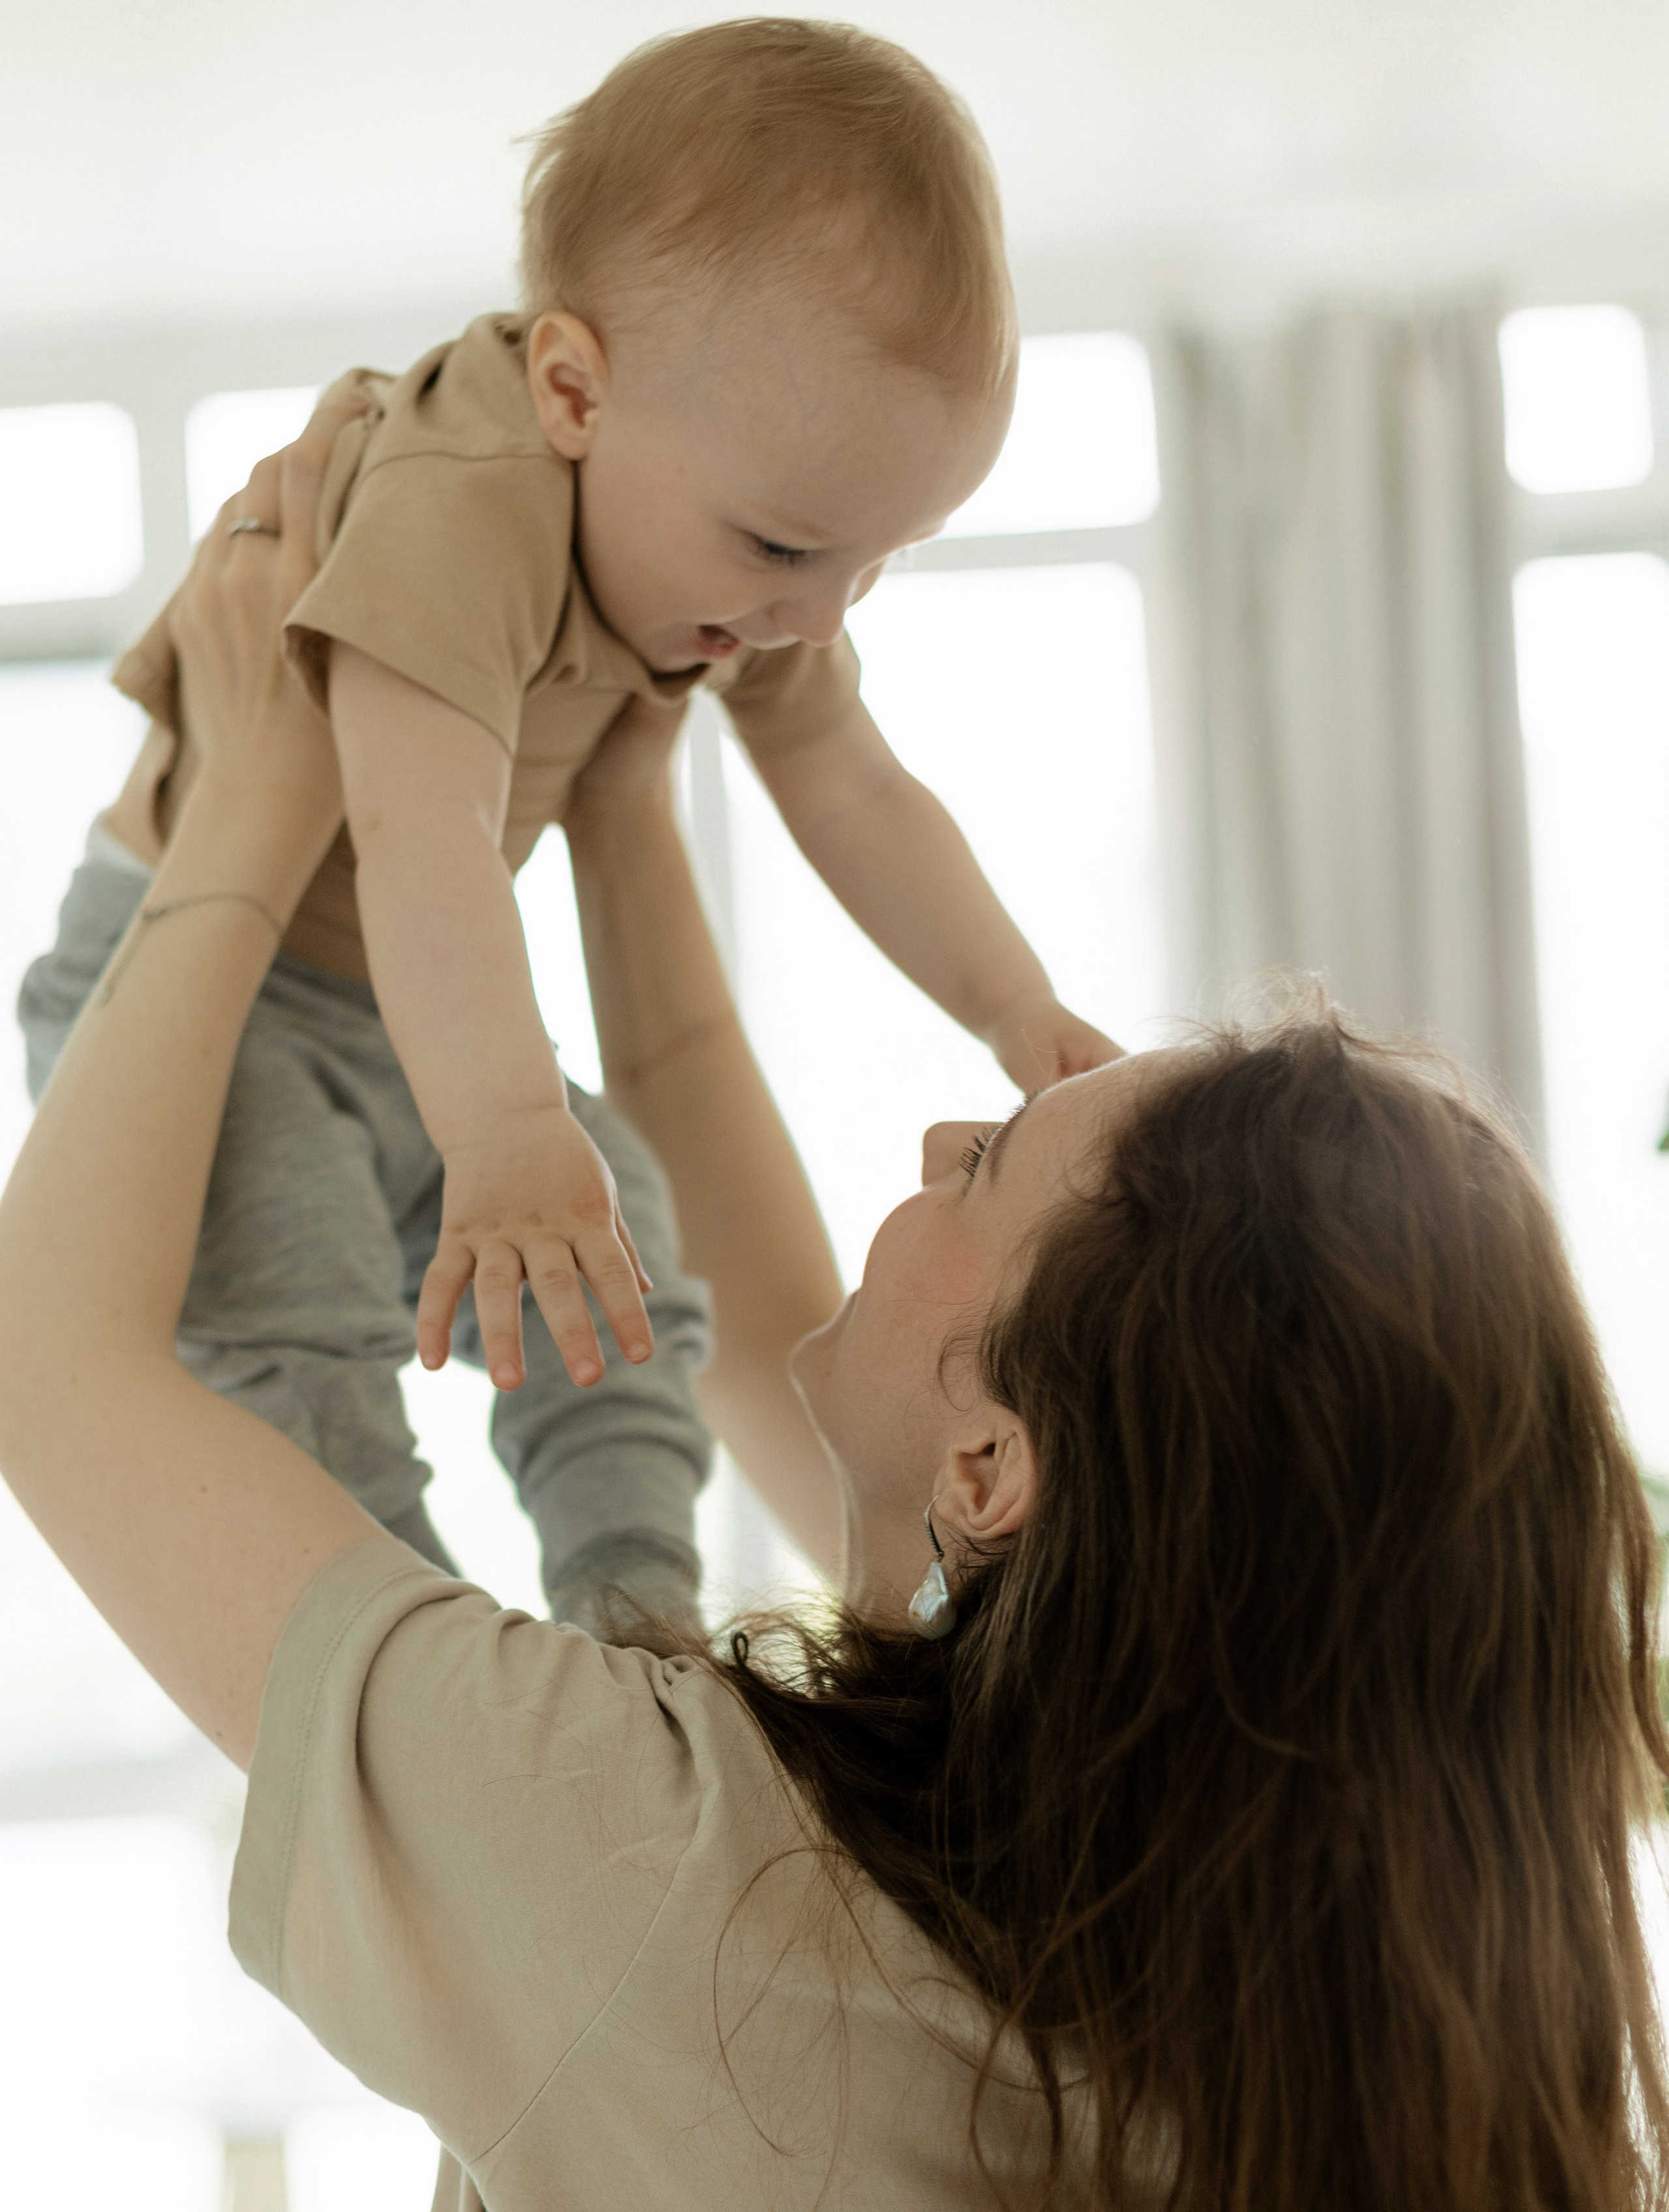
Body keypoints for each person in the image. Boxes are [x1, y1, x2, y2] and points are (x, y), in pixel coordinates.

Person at [3, 423, 1667, 2212]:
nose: (919, 1153)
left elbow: (61, 1370)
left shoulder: (665, 1877)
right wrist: (623, 796)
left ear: (989, 1464)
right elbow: (709, 1140)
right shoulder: (1246, 2046)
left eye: (978, 1166)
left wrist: (239, 817)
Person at [25, 18, 1115, 1636]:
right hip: (206, 996)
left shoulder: (749, 566)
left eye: (873, 563)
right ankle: (404, 1644)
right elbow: (422, 833)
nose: (812, 617)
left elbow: (859, 790)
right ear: (570, 389)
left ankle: (631, 1613)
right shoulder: (457, 499)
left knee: (627, 1258)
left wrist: (1009, 1004)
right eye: (781, 548)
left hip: (416, 1009)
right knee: (297, 1308)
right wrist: (507, 1134)